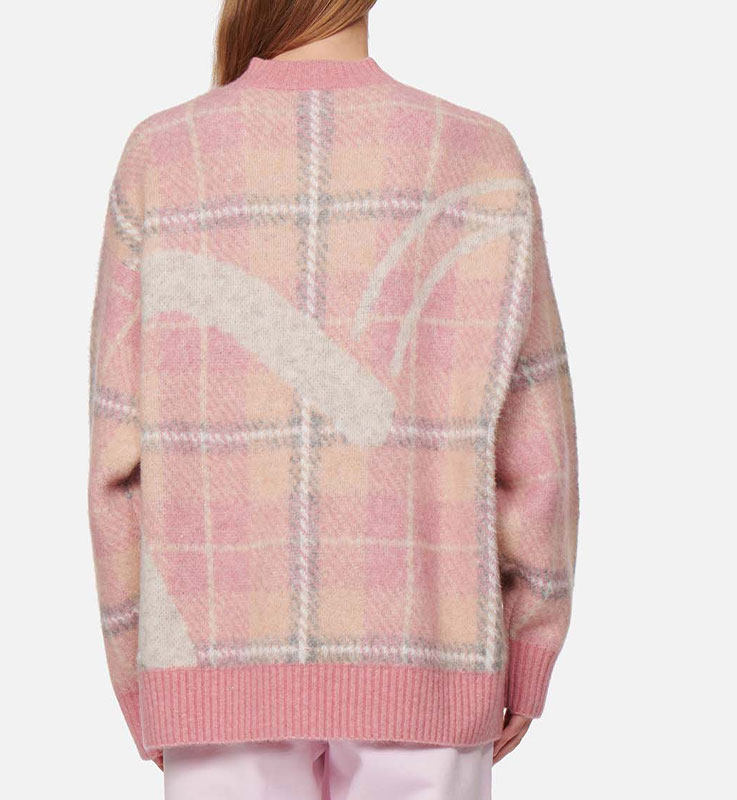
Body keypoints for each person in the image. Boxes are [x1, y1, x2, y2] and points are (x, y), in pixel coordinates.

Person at [87, 1, 579, 797]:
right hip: (429, 649)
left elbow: (117, 464)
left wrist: (144, 676)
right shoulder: (476, 155)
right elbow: (539, 451)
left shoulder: (163, 156)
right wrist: (529, 646)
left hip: (214, 657)